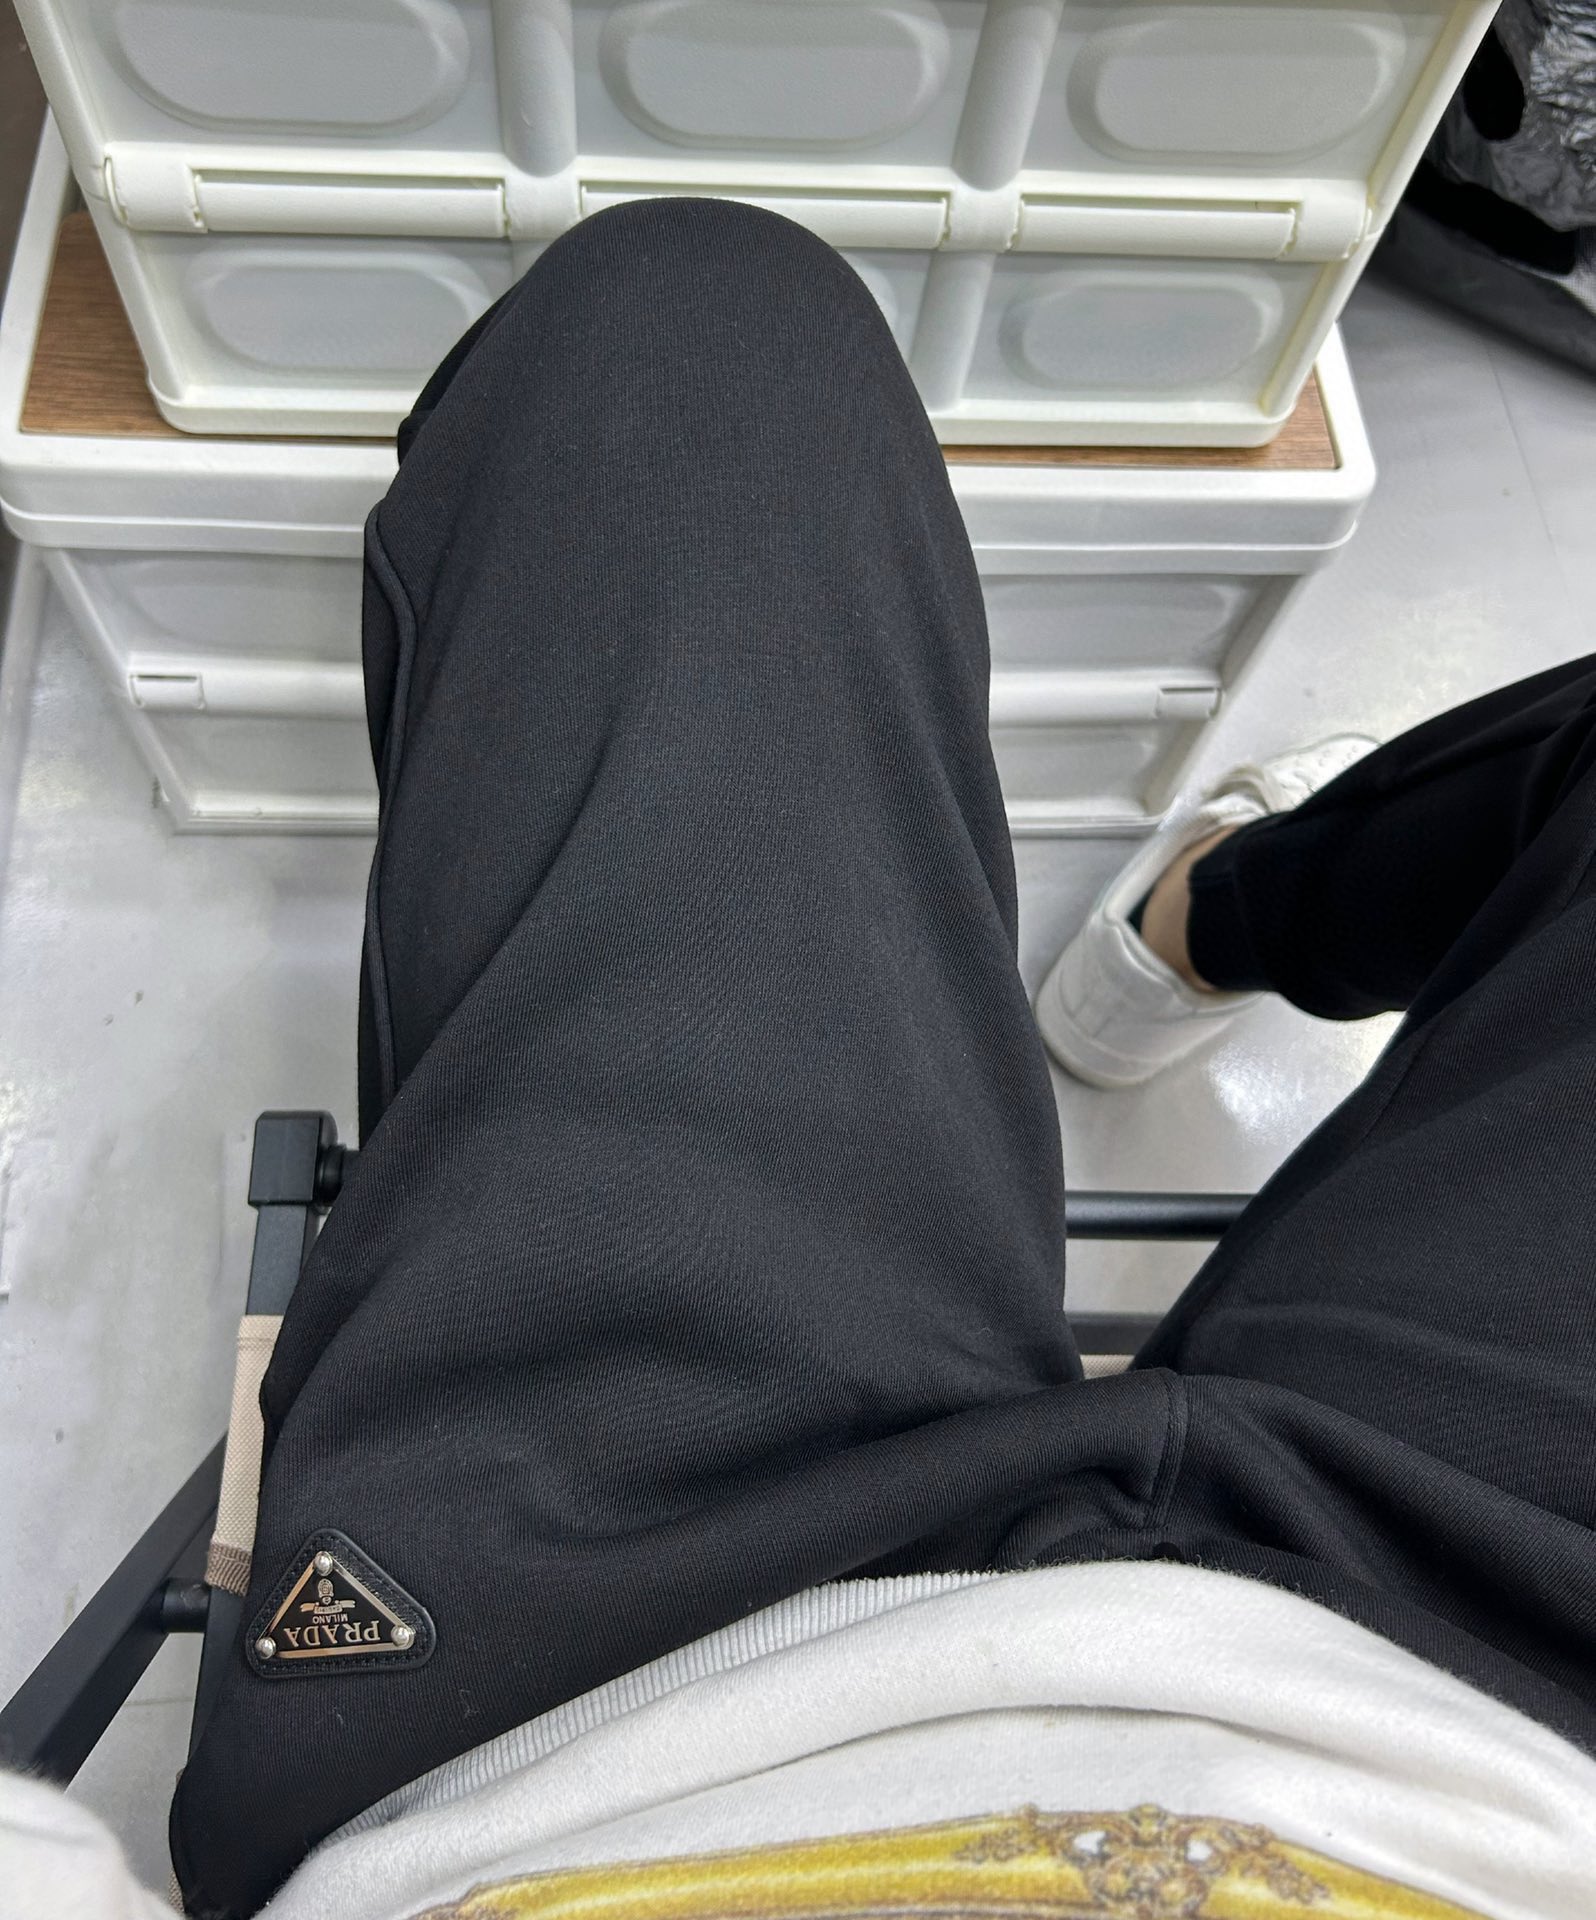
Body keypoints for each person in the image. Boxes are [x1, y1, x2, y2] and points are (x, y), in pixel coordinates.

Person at [8, 198, 1595, 1919]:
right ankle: (1205, 921)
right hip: (1516, 1714)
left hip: (595, 1737)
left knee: (691, 338)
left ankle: (1205, 921)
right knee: (703, 340)